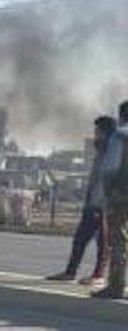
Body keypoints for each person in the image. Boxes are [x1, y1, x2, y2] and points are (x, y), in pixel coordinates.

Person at [47, 116, 115, 285]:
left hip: (102, 204)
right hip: (94, 202)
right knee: (82, 239)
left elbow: (107, 179)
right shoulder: (101, 151)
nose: (95, 134)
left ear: (105, 133)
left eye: (98, 131)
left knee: (101, 242)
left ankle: (96, 275)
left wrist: (102, 203)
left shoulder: (111, 151)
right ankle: (73, 272)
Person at [94, 103, 128, 299]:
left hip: (120, 195)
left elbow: (110, 168)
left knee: (117, 241)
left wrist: (106, 194)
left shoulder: (119, 135)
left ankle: (116, 286)